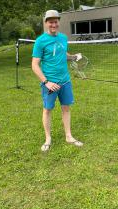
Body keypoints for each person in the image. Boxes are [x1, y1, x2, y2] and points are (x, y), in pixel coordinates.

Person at [32, 10, 83, 151]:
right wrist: (46, 82)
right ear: (46, 23)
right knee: (47, 110)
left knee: (66, 108)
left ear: (58, 22)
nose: (54, 24)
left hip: (65, 80)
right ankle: (48, 138)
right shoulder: (40, 41)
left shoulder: (63, 38)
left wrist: (72, 57)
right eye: (51, 22)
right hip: (50, 83)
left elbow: (62, 53)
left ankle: (68, 136)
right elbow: (34, 64)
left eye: (56, 21)